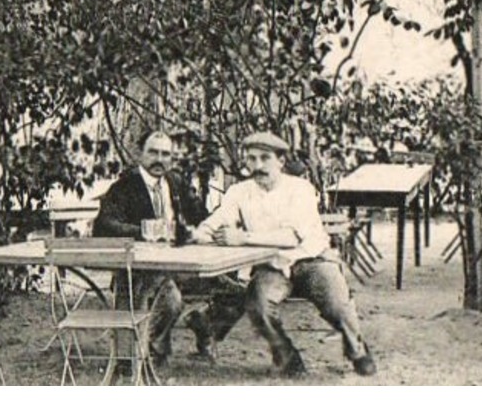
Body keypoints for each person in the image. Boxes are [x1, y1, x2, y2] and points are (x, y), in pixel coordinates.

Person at [191, 131, 378, 378]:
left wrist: (243, 238)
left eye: (265, 158)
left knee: (337, 303)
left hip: (312, 259)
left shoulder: (301, 189)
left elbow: (292, 238)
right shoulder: (239, 192)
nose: (258, 166)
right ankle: (286, 355)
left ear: (280, 161)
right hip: (271, 266)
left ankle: (357, 349)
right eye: (251, 159)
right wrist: (203, 232)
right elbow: (215, 222)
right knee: (258, 305)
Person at [94, 130, 214, 366]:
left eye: (165, 154)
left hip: (181, 262)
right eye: (153, 152)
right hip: (143, 268)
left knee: (236, 290)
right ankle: (146, 350)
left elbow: (201, 216)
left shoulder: (175, 182)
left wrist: (201, 231)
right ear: (140, 154)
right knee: (170, 300)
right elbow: (104, 225)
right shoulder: (124, 186)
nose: (160, 159)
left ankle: (198, 324)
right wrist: (144, 232)